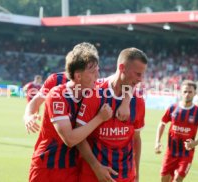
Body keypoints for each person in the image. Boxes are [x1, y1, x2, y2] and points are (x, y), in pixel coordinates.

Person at [29, 42, 113, 182]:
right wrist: (99, 118)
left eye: (98, 70)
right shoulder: (57, 94)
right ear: (78, 76)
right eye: (93, 72)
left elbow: (120, 78)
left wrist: (127, 99)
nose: (98, 76)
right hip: (48, 167)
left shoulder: (92, 89)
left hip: (72, 168)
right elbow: (70, 139)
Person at [76, 48, 148, 182]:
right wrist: (96, 167)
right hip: (93, 175)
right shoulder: (95, 93)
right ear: (122, 68)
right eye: (138, 74)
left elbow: (136, 138)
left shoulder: (137, 100)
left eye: (142, 75)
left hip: (126, 176)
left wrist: (137, 175)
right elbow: (79, 137)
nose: (140, 80)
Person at [155, 80, 198, 182]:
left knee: (178, 179)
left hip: (186, 154)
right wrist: (157, 142)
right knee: (164, 179)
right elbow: (162, 123)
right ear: (181, 92)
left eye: (190, 92)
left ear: (195, 93)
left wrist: (195, 143)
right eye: (185, 91)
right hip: (170, 152)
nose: (187, 94)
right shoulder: (173, 108)